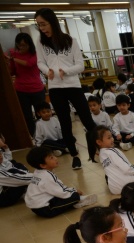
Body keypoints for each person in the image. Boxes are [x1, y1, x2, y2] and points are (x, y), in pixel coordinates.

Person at [35, 8, 96, 169]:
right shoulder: (40, 42)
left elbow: (80, 65)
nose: (41, 28)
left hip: (73, 85)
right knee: (65, 122)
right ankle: (75, 155)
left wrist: (66, 71)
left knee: (87, 119)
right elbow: (40, 62)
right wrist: (46, 70)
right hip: (55, 87)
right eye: (39, 25)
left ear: (52, 22)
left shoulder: (70, 40)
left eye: (44, 24)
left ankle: (100, 149)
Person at [24, 146, 97, 218]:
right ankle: (78, 201)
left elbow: (57, 188)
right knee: (74, 196)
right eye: (51, 158)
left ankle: (75, 201)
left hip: (35, 207)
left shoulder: (37, 172)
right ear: (43, 165)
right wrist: (74, 191)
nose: (55, 158)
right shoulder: (47, 176)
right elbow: (61, 192)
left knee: (65, 195)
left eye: (53, 156)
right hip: (46, 209)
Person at [93, 125, 134, 195]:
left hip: (114, 190)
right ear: (99, 142)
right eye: (109, 138)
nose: (112, 139)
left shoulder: (101, 154)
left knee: (107, 174)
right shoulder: (113, 151)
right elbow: (126, 169)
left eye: (112, 136)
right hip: (128, 185)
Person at [7, 33, 46, 137]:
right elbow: (12, 72)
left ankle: (45, 135)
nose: (21, 47)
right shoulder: (15, 55)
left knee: (41, 114)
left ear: (29, 44)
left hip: (36, 89)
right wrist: (8, 63)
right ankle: (34, 136)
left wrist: (13, 59)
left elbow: (29, 64)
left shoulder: (35, 54)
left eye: (24, 45)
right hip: (21, 90)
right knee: (27, 116)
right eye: (19, 45)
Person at [0, 134, 33, 207]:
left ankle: (28, 190)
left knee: (17, 168)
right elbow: (18, 179)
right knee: (20, 179)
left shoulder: (2, 155)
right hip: (2, 199)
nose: (0, 156)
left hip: (7, 176)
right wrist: (40, 176)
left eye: (0, 153)